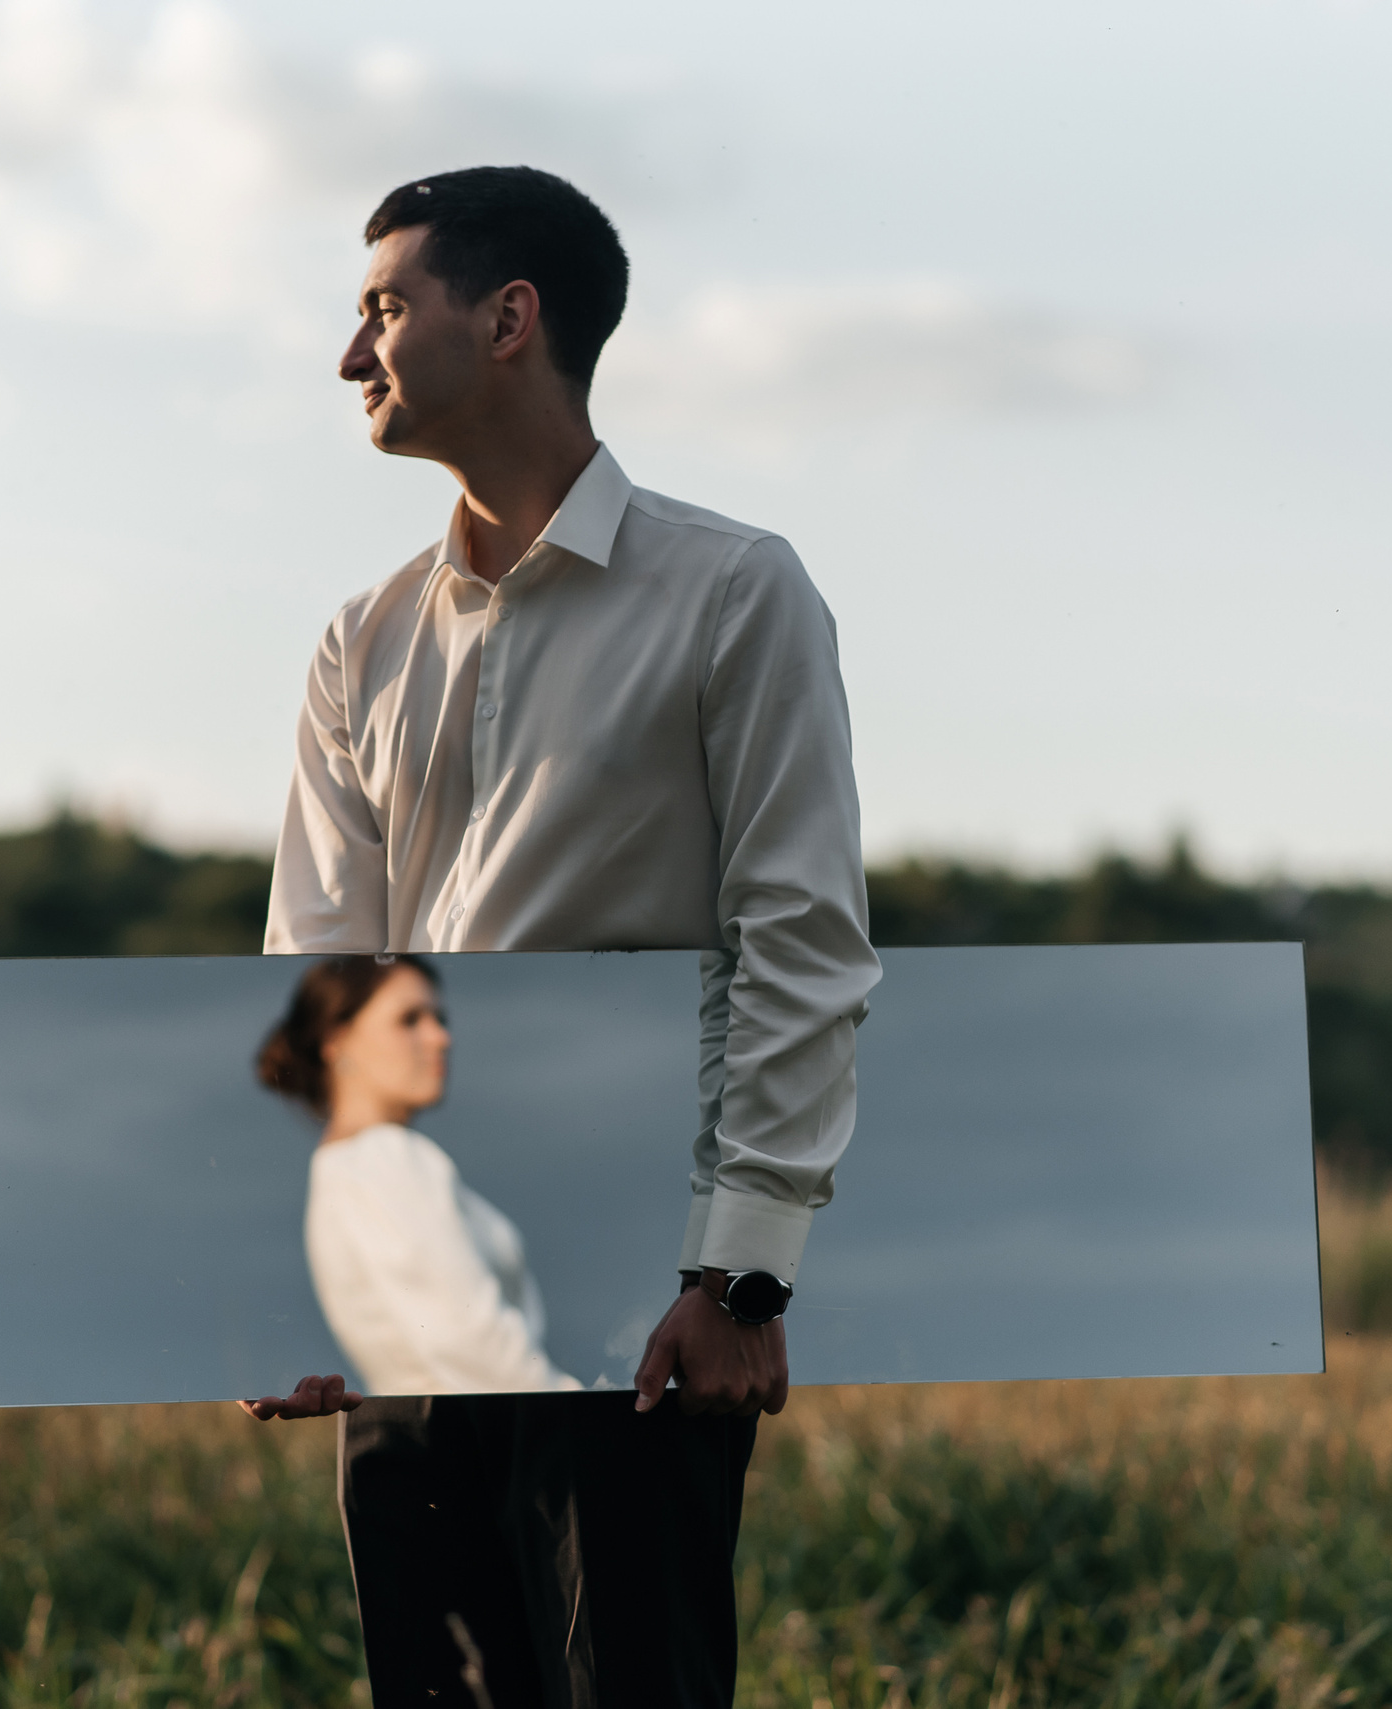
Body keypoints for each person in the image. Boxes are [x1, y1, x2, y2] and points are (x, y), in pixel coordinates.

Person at [246, 165, 881, 1708]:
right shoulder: (360, 640)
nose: (353, 356)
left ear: (511, 318)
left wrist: (741, 1281)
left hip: (631, 1305)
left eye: (385, 309)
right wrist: (284, 1281)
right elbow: (318, 973)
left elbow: (800, 943)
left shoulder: (737, 594)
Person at [255, 953, 581, 1396]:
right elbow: (475, 1348)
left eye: (439, 1018)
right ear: (337, 1039)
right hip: (480, 1445)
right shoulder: (384, 1158)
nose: (440, 1037)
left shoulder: (340, 1166)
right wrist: (598, 1424)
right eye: (409, 1019)